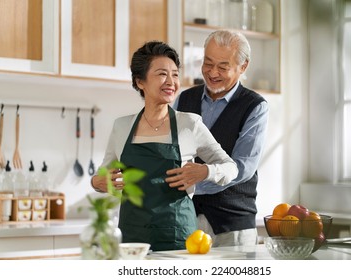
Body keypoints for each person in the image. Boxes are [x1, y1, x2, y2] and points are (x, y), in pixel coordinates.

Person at [90, 41, 238, 252]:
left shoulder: (190, 124)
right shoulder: (122, 127)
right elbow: (103, 176)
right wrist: (97, 182)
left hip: (179, 240)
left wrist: (205, 171)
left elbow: (230, 167)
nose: (171, 82)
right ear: (140, 81)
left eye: (175, 75)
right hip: (133, 240)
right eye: (162, 74)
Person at [173, 30, 269, 247]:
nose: (212, 72)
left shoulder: (254, 106)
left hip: (232, 226)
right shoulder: (184, 99)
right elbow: (170, 152)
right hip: (186, 221)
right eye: (207, 63)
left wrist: (199, 179)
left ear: (243, 67)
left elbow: (243, 167)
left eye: (223, 67)